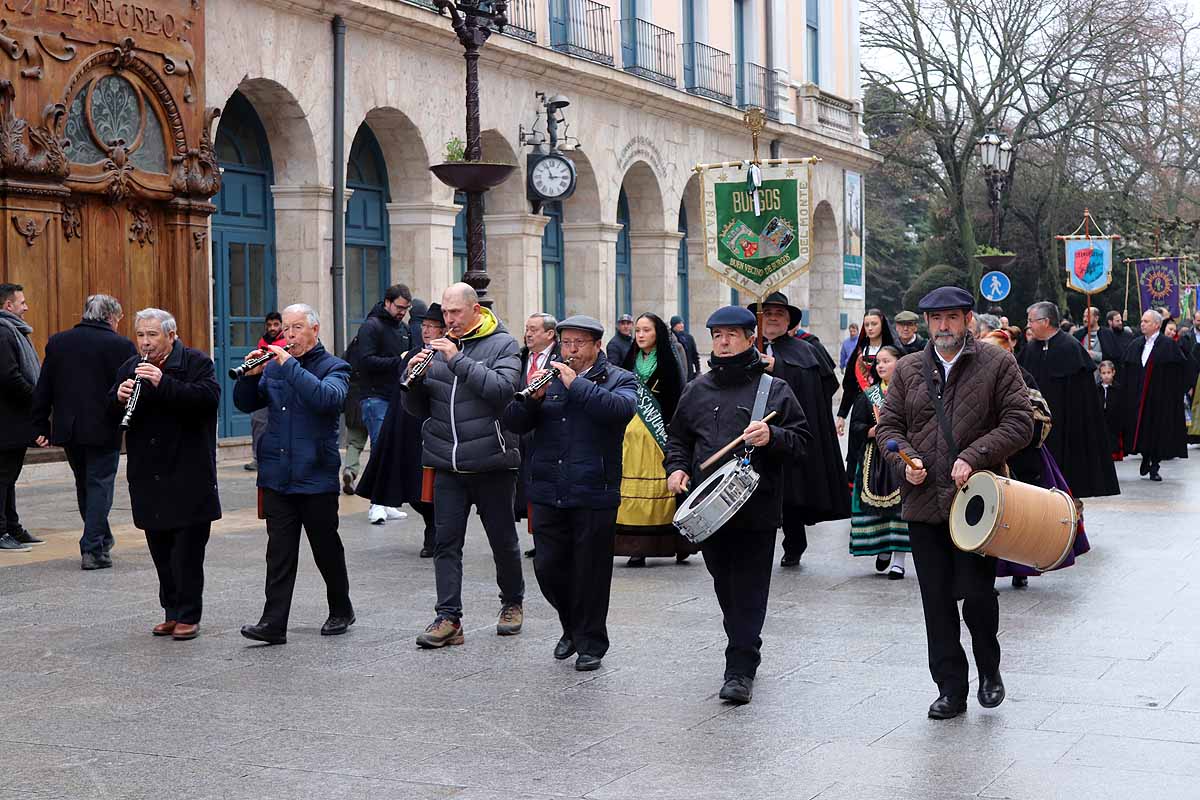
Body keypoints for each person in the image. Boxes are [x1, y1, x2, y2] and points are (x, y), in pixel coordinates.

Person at [875, 286, 1033, 720]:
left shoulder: (997, 362)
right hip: (924, 506)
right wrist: (904, 461)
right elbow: (888, 429)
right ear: (926, 323)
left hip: (977, 502)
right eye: (935, 319)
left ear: (967, 320)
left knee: (979, 594)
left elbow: (1021, 423)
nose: (943, 327)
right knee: (936, 601)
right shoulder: (908, 369)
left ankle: (989, 668)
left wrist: (973, 456)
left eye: (951, 318)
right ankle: (950, 688)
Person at [665, 305, 809, 704]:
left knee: (748, 588)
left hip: (756, 508)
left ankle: (740, 668)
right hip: (707, 509)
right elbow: (678, 439)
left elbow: (803, 443)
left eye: (731, 335)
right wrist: (676, 469)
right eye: (717, 335)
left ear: (750, 339)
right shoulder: (697, 389)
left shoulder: (774, 389)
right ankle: (744, 643)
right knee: (725, 587)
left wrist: (773, 437)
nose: (723, 342)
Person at [503, 315, 637, 671]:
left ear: (596, 346)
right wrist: (531, 399)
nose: (571, 350)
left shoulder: (619, 379)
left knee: (591, 572)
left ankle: (591, 642)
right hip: (548, 488)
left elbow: (618, 411)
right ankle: (571, 627)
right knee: (548, 569)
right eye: (566, 343)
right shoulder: (549, 376)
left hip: (594, 490)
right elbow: (514, 422)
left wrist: (575, 384)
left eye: (579, 343)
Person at [403, 283, 525, 649]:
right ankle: (448, 618)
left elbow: (503, 390)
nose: (449, 320)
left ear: (475, 310)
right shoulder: (434, 349)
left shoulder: (502, 344)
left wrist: (457, 359)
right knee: (446, 543)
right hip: (447, 462)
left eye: (456, 313)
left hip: (492, 460)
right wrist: (411, 383)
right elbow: (418, 410)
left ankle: (512, 603)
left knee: (502, 540)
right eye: (446, 313)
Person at [234, 304, 355, 645]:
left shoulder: (335, 367)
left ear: (315, 331)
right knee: (280, 551)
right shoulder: (272, 368)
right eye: (286, 329)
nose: (289, 335)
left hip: (315, 472)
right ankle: (273, 623)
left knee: (325, 547)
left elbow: (327, 400)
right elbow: (246, 403)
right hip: (277, 473)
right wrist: (250, 377)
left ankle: (341, 608)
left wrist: (288, 367)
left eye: (297, 328)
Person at [111, 309, 220, 640]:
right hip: (149, 474)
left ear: (171, 336)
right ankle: (171, 611)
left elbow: (207, 399)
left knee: (186, 553)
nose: (145, 342)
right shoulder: (131, 366)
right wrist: (117, 396)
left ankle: (189, 614)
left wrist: (164, 382)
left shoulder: (197, 363)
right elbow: (109, 408)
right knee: (160, 550)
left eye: (152, 335)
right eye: (141, 335)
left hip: (188, 473)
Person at [31, 294, 137, 570]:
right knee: (100, 484)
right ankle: (92, 549)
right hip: (105, 425)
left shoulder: (58, 342)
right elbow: (131, 388)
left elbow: (44, 387)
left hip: (69, 428)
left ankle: (101, 538)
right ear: (111, 317)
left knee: (85, 484)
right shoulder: (121, 345)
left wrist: (40, 424)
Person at [979, 329, 1090, 589]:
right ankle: (987, 570)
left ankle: (1021, 567)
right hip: (986, 457)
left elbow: (1041, 414)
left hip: (1022, 456)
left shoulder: (1021, 375)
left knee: (1021, 516)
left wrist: (1014, 436)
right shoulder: (974, 376)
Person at [748, 291, 849, 566]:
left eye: (779, 314)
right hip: (753, 427)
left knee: (791, 490)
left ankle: (794, 543)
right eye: (767, 314)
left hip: (788, 427)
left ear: (788, 321)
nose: (772, 319)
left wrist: (777, 366)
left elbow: (817, 386)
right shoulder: (748, 347)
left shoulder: (803, 349)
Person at [356, 304, 447, 558]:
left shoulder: (450, 354)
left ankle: (437, 532)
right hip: (409, 429)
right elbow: (401, 389)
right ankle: (432, 526)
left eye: (432, 327)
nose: (426, 331)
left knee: (436, 487)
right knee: (414, 487)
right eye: (424, 326)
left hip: (436, 430)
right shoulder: (413, 354)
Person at [1019, 301, 1120, 498]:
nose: (1028, 325)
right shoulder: (1030, 349)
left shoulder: (1071, 348)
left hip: (1067, 428)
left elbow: (1084, 401)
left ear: (1045, 321)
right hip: (1037, 430)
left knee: (1067, 482)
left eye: (1031, 321)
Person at [616, 312, 693, 567]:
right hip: (631, 438)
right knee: (632, 489)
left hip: (659, 436)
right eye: (637, 330)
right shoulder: (630, 360)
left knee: (665, 487)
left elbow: (678, 399)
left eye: (646, 330)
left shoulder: (669, 361)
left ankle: (676, 542)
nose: (640, 335)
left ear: (657, 333)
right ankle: (637, 545)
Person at [847, 346, 910, 578]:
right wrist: (871, 431)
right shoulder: (868, 396)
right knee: (877, 507)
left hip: (902, 456)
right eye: (879, 362)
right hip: (873, 458)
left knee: (901, 508)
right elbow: (856, 427)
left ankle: (899, 561)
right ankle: (883, 548)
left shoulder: (911, 392)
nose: (881, 366)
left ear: (899, 363)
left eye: (886, 361)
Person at [356, 284, 413, 524]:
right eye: (399, 307)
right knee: (381, 448)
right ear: (387, 302)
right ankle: (376, 504)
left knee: (393, 449)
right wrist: (397, 361)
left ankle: (386, 501)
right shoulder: (371, 326)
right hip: (375, 396)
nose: (402, 312)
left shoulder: (403, 328)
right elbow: (365, 361)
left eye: (406, 308)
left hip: (395, 396)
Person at [1119, 311, 1189, 481]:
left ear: (1157, 325)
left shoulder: (1168, 345)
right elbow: (1128, 369)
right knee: (1141, 429)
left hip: (1159, 398)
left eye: (1146, 321)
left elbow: (1178, 372)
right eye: (1142, 321)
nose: (1142, 324)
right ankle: (1145, 457)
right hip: (1138, 398)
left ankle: (1154, 465)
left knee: (1157, 431)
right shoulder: (1136, 344)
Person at [514, 313, 560, 559]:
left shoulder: (560, 359)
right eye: (526, 329)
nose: (528, 334)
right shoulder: (521, 356)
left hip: (548, 432)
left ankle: (546, 536)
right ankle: (537, 535)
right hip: (522, 431)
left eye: (534, 329)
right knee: (527, 486)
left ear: (550, 334)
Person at [0, 283, 41, 552]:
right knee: (3, 477)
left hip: (12, 420)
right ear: (8, 306)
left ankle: (12, 526)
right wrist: (38, 399)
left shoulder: (12, 331)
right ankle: (2, 530)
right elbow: (9, 376)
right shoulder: (4, 333)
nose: (26, 307)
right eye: (22, 302)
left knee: (8, 477)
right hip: (7, 420)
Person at [837, 309, 898, 485]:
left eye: (874, 324)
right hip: (862, 411)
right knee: (859, 454)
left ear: (882, 324)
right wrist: (841, 415)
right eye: (867, 324)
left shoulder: (892, 350)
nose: (870, 328)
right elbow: (849, 385)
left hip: (887, 405)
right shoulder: (859, 353)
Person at [246, 311, 285, 472]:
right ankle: (257, 457)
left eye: (276, 324)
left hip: (280, 388)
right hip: (263, 386)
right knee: (258, 421)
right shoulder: (262, 342)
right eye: (269, 325)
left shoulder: (285, 342)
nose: (272, 328)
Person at [1073, 307, 1120, 371]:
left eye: (1088, 316)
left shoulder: (1107, 334)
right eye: (1084, 316)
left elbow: (1113, 355)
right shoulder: (1078, 334)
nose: (1085, 319)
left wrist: (1094, 355)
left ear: (1096, 318)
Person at [1097, 360, 1125, 459]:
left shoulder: (1117, 388)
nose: (1106, 376)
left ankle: (1114, 453)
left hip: (1114, 416)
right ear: (1100, 374)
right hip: (1102, 415)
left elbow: (1121, 403)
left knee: (1113, 436)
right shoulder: (1097, 388)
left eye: (1108, 373)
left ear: (1113, 372)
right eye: (1103, 373)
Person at [671, 315, 701, 381]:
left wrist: (698, 370)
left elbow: (695, 355)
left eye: (682, 323)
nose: (682, 325)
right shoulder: (670, 338)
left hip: (689, 372)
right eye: (679, 323)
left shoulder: (688, 338)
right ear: (674, 325)